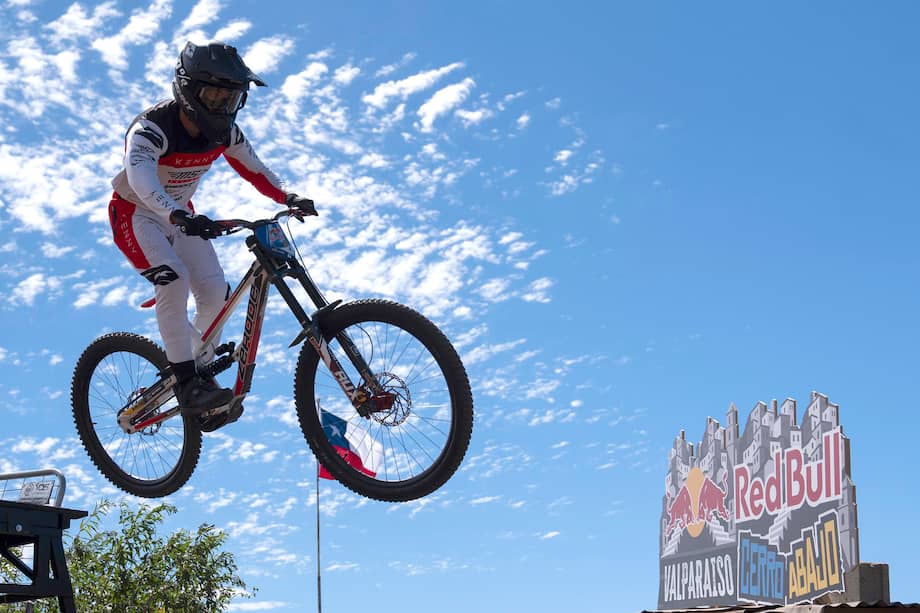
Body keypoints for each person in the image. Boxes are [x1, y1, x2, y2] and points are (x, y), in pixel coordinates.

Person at [108, 41, 317, 416]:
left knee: (215, 292)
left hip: (181, 215)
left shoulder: (226, 134)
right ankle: (188, 386)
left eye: (231, 99)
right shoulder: (151, 129)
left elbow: (256, 169)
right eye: (215, 96)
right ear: (189, 91)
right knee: (173, 279)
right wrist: (176, 213)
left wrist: (289, 196)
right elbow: (141, 179)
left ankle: (199, 373)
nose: (222, 107)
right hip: (135, 215)